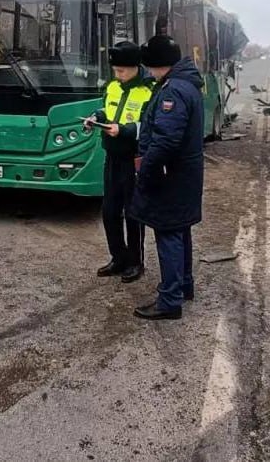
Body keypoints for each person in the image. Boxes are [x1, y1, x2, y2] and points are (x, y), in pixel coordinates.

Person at [128, 35, 204, 320]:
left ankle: (169, 300)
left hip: (169, 176)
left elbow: (166, 140)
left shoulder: (172, 91)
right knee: (181, 228)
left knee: (169, 232)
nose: (147, 71)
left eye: (149, 65)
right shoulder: (187, 85)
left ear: (159, 64)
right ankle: (184, 286)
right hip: (184, 175)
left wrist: (146, 167)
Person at [87, 41, 153, 283]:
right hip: (112, 156)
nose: (118, 75)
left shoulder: (148, 91)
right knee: (110, 211)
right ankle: (118, 257)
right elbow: (107, 110)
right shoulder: (113, 87)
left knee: (133, 213)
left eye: (122, 71)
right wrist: (96, 118)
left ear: (136, 67)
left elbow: (147, 126)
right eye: (115, 70)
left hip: (133, 159)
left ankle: (136, 262)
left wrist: (123, 131)